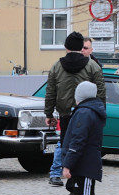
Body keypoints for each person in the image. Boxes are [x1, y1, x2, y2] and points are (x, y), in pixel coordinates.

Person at [44, 31, 105, 186]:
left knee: (66, 146)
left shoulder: (57, 66)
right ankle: (78, 182)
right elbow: (101, 91)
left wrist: (49, 113)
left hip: (65, 113)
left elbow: (50, 92)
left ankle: (67, 177)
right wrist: (101, 112)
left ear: (66, 47)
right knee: (84, 147)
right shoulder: (93, 66)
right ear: (81, 47)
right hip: (87, 113)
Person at [60, 81, 105, 195]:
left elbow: (78, 140)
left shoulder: (85, 113)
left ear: (80, 96)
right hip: (86, 163)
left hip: (85, 164)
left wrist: (67, 165)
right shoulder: (90, 110)